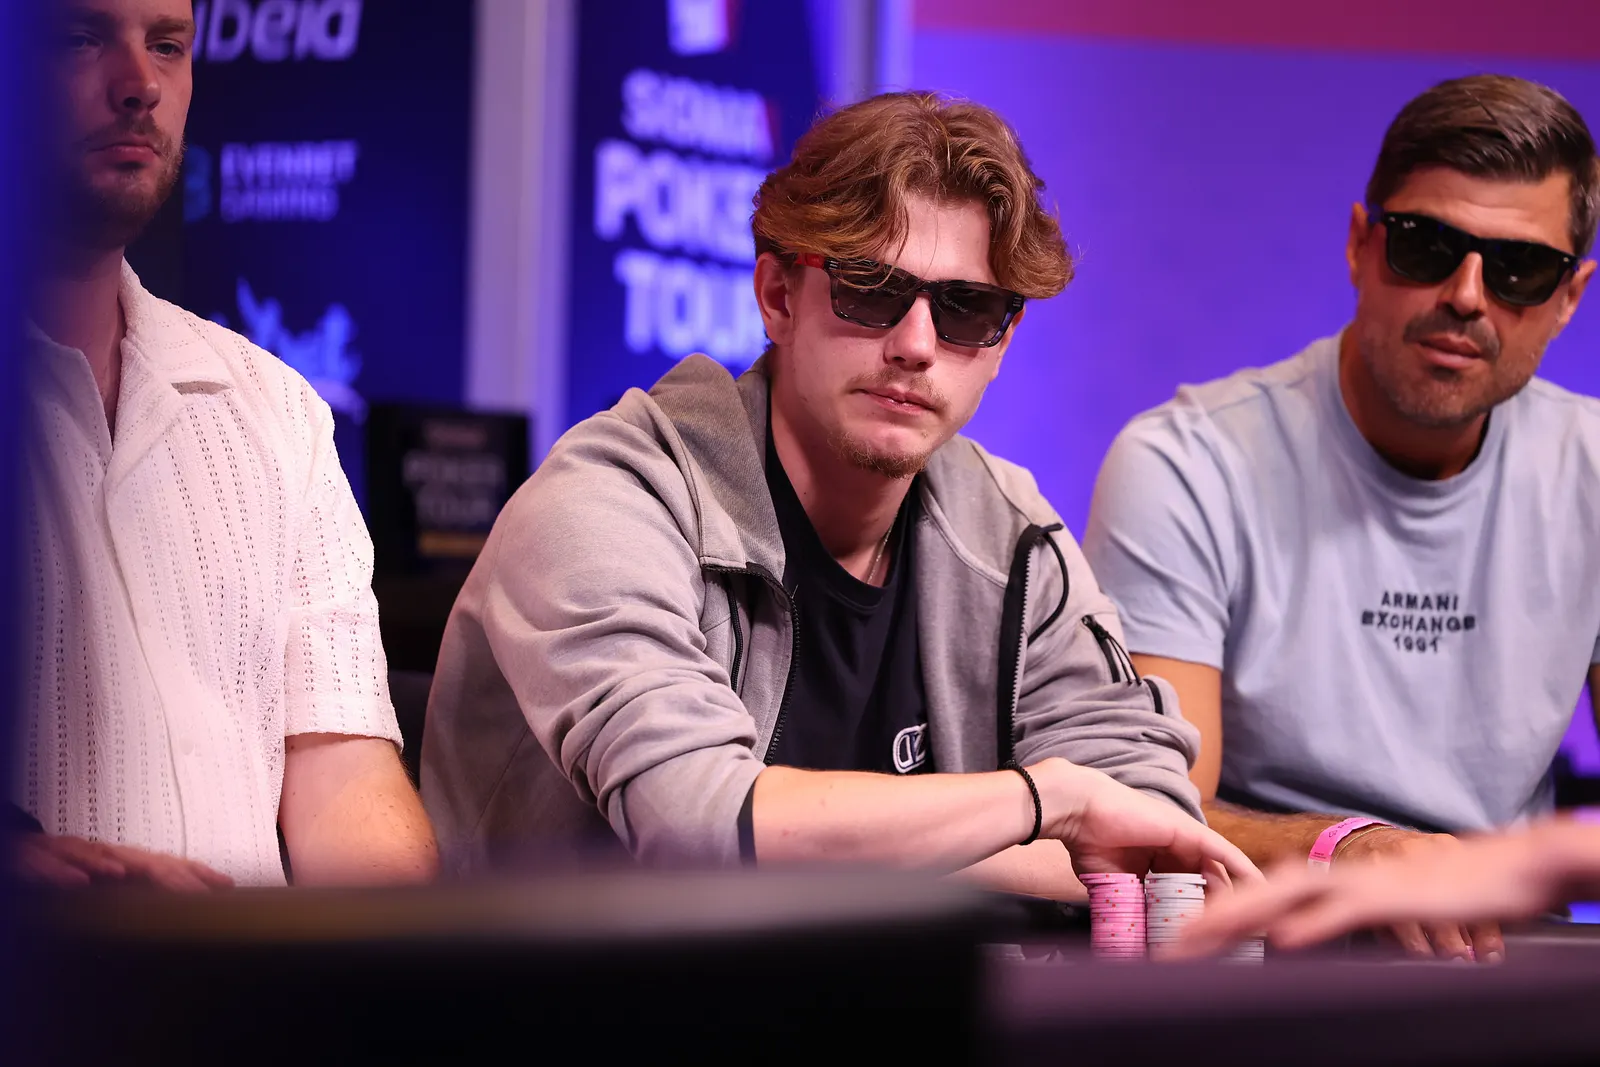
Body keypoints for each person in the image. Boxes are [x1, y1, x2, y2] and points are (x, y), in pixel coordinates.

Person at [422, 91, 1260, 896]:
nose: (916, 344)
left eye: (967, 309)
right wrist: (1047, 803)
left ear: (1002, 343)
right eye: (871, 289)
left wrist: (896, 847)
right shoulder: (609, 502)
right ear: (777, 298)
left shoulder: (1012, 539)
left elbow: (1151, 832)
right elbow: (699, 829)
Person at [1083, 74, 1599, 961]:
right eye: (1426, 246)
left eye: (1518, 268)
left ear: (1569, 297)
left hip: (1502, 959)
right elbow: (1156, 810)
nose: (1467, 294)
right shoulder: (1188, 463)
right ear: (1361, 245)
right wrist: (1353, 849)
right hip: (1269, 951)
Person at [17, 0, 437, 888]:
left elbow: (345, 777)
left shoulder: (278, 410)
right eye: (80, 39)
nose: (140, 84)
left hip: (253, 976)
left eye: (167, 44)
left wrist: (398, 950)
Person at [1169, 817, 1600, 959]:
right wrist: (1344, 843)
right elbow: (1177, 798)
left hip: (1520, 928)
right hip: (1284, 924)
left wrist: (1545, 857)